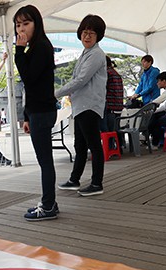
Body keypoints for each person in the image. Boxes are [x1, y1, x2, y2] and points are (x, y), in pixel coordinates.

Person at [14, 5, 59, 221]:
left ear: (36, 23)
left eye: (26, 23)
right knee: (45, 160)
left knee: (45, 161)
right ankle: (50, 203)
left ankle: (48, 205)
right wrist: (26, 116)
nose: (21, 29)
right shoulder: (35, 46)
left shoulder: (41, 46)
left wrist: (18, 51)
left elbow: (28, 78)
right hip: (37, 111)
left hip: (42, 111)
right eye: (18, 24)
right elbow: (30, 87)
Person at [55, 15, 108, 197]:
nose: (87, 36)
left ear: (98, 36)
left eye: (91, 33)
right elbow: (77, 79)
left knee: (94, 145)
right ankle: (74, 179)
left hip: (89, 106)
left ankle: (96, 183)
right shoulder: (86, 53)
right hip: (81, 105)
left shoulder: (96, 54)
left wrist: (56, 93)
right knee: (80, 144)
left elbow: (81, 79)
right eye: (84, 32)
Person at [102, 56, 124, 133]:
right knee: (116, 131)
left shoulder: (106, 73)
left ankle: (110, 145)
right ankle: (120, 144)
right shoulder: (115, 72)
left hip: (110, 107)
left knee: (108, 131)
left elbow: (102, 88)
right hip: (118, 106)